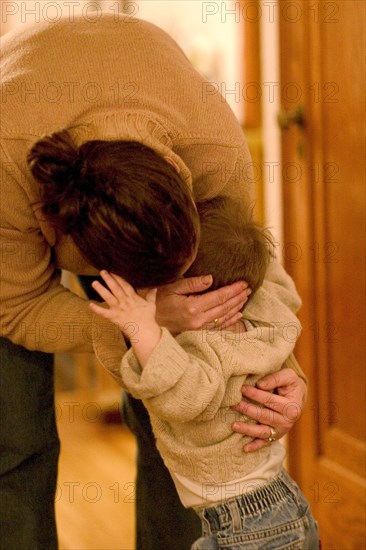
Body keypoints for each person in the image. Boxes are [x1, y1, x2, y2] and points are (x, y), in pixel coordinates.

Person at [0, 13, 307, 550]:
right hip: (15, 204)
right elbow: (17, 307)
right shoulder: (8, 170)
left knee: (176, 412)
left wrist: (280, 365)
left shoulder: (212, 148)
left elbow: (247, 265)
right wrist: (141, 323)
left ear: (179, 172)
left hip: (136, 113)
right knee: (14, 439)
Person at [89, 196, 319, 549]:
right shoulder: (263, 318)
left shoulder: (210, 348)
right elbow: (282, 290)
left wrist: (141, 327)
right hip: (267, 511)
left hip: (249, 524)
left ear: (195, 291)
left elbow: (184, 394)